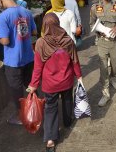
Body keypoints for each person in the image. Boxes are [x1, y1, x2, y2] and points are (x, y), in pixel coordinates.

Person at [28, 13, 82, 152]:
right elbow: (75, 61)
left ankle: (51, 140)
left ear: (44, 25)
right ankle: (68, 121)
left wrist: (33, 85)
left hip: (50, 84)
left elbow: (38, 68)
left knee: (50, 109)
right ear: (58, 23)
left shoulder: (41, 43)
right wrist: (79, 76)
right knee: (67, 100)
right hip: (66, 81)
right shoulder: (68, 41)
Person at [0, 0, 37, 125]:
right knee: (31, 86)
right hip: (29, 57)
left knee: (16, 91)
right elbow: (34, 32)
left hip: (13, 62)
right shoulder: (27, 12)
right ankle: (36, 109)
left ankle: (20, 116)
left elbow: (5, 41)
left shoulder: (3, 16)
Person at [90, 0, 116, 107]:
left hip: (115, 42)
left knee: (115, 66)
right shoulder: (95, 8)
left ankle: (113, 77)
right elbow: (91, 24)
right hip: (102, 42)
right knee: (103, 68)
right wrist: (98, 31)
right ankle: (105, 94)